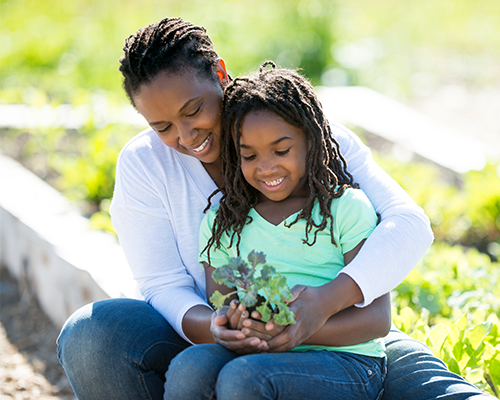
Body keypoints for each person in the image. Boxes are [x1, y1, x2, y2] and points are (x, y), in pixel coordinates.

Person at [56, 16, 494, 400]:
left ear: (221, 74)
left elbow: (409, 224)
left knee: (428, 386)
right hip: (216, 346)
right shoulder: (147, 165)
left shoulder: (312, 137)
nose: (187, 137)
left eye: (194, 110)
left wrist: (322, 304)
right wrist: (219, 328)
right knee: (94, 333)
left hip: (339, 338)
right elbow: (163, 284)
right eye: (163, 126)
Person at [165, 62, 389, 400]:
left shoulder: (346, 209)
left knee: (245, 379)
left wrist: (299, 332)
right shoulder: (222, 224)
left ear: (311, 142)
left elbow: (377, 319)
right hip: (258, 354)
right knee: (190, 367)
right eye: (249, 155)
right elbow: (222, 304)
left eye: (281, 151)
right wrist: (233, 325)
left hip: (348, 362)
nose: (266, 166)